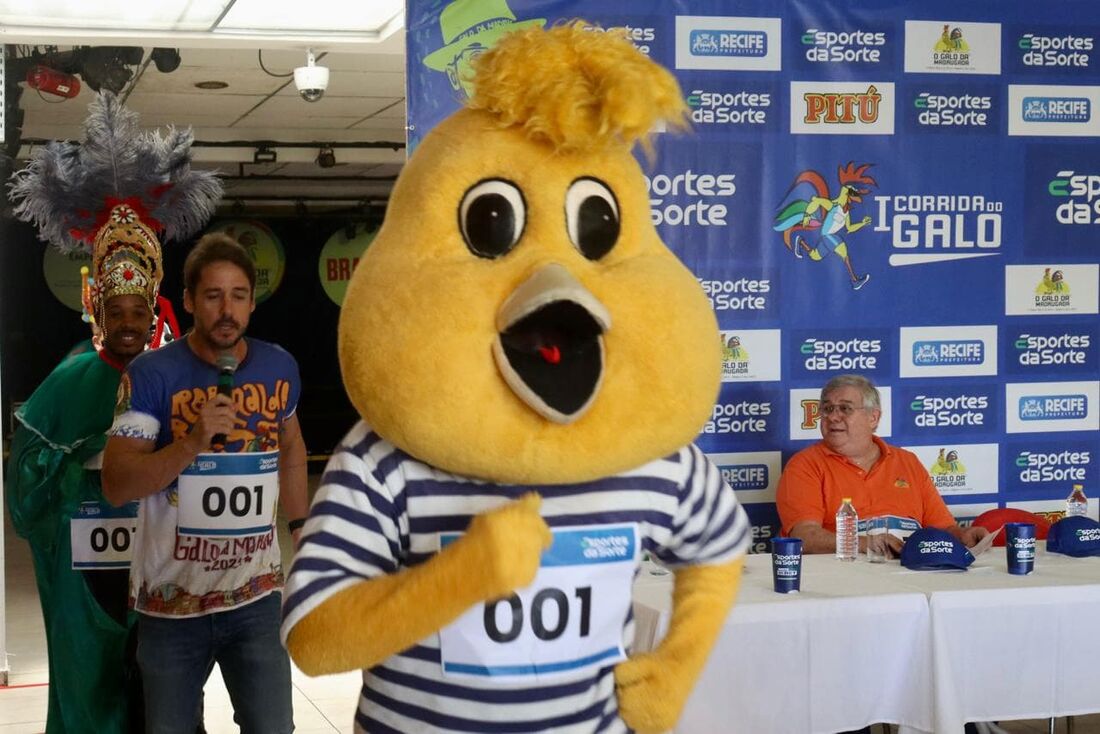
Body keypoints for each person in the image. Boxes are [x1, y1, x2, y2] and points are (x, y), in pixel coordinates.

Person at [6, 91, 222, 734]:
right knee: (94, 696)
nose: (129, 324)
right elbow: (23, 497)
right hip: (85, 578)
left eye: (139, 310)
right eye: (116, 310)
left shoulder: (175, 377)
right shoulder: (69, 380)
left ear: (153, 306)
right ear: (95, 307)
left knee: (165, 699)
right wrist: (81, 465)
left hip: (162, 571)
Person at [102, 233, 308, 734]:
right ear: (189, 300)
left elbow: (292, 448)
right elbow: (117, 483)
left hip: (256, 602)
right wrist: (191, 443)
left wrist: (302, 531)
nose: (226, 310)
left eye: (238, 295)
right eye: (212, 296)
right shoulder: (151, 375)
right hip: (172, 609)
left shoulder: (279, 366)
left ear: (252, 303)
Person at [777, 374, 988, 556]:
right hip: (840, 575)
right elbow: (805, 537)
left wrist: (962, 535)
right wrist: (865, 545)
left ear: (873, 418)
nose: (833, 417)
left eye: (845, 409)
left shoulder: (907, 462)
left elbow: (942, 528)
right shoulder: (804, 465)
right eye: (827, 409)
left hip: (908, 572)